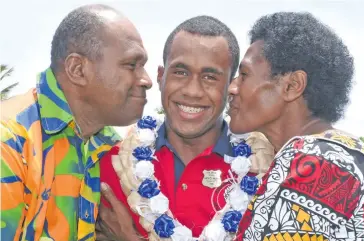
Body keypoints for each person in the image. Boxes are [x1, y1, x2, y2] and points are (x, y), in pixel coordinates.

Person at [98, 15, 275, 240]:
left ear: (231, 85)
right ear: (161, 77)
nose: (192, 91)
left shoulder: (268, 174)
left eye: (210, 77)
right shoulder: (111, 166)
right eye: (180, 72)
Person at [226, 12, 364, 241]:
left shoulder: (317, 162)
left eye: (244, 75)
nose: (232, 88)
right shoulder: (334, 153)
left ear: (292, 85)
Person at [0, 4, 151, 241]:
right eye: (131, 65)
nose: (146, 80)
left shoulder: (111, 149)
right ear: (77, 69)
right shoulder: (10, 141)